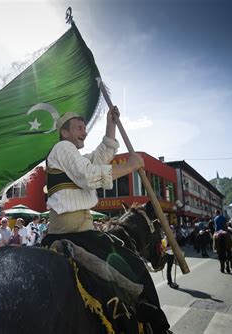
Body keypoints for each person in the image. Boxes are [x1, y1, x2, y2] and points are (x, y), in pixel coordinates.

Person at [41, 106, 170, 333]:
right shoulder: (63, 147)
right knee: (137, 267)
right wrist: (129, 166)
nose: (84, 132)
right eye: (79, 128)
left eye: (85, 128)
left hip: (80, 228)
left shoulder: (72, 156)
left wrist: (111, 124)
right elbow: (91, 175)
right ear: (65, 133)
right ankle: (157, 327)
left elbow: (100, 158)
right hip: (75, 232)